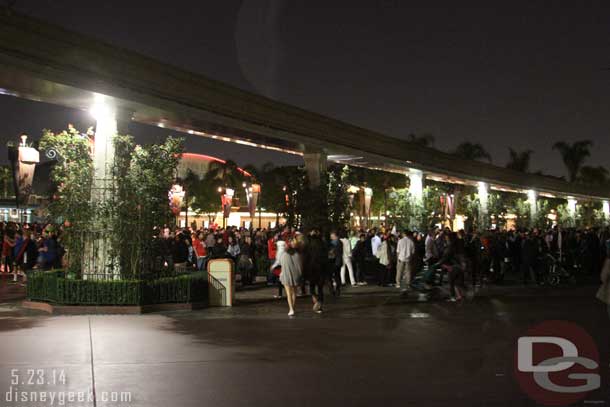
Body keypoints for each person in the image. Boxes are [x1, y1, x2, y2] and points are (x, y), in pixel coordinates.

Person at [279, 239, 303, 316]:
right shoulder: (297, 254)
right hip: (295, 275)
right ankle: (293, 307)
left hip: (286, 276)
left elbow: (281, 265)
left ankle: (291, 309)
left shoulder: (284, 255)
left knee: (288, 293)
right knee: (294, 293)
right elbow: (300, 266)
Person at [328, 231, 343, 296]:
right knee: (337, 276)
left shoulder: (335, 243)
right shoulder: (338, 242)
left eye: (332, 235)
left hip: (334, 261)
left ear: (335, 235)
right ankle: (336, 289)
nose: (331, 237)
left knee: (332, 276)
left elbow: (335, 252)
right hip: (336, 261)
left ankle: (333, 290)